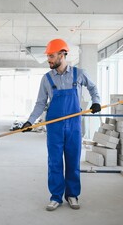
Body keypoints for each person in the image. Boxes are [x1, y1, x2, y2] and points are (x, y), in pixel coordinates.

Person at [21, 38, 101, 211]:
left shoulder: (79, 74)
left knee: (73, 161)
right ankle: (56, 196)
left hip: (73, 125)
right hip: (55, 127)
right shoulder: (47, 79)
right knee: (55, 162)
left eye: (51, 55)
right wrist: (30, 121)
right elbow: (40, 103)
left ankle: (72, 195)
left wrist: (96, 102)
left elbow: (93, 88)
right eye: (48, 56)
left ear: (62, 54)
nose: (48, 59)